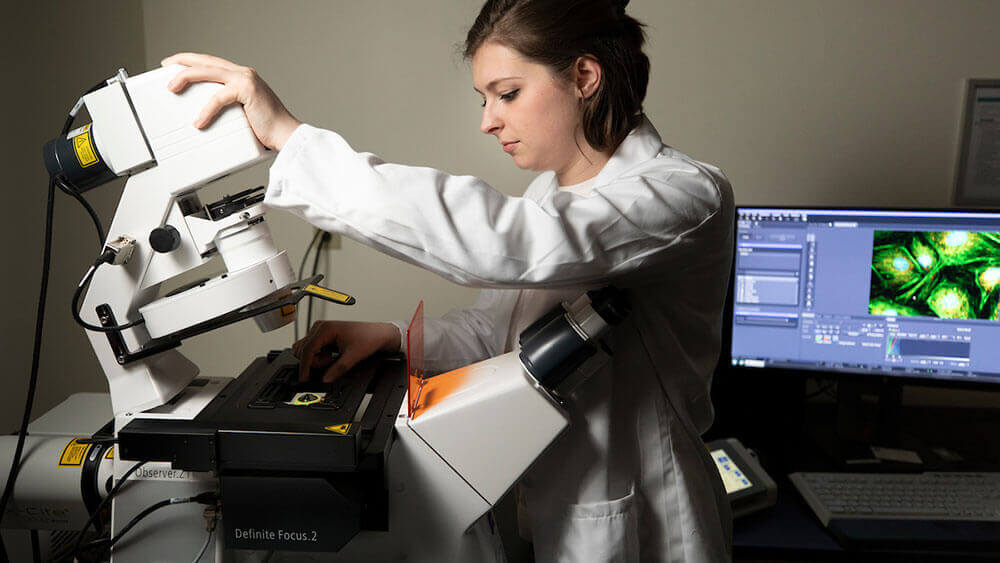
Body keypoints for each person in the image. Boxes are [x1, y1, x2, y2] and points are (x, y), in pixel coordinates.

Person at [164, 0, 734, 560]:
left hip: (653, 527)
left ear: (584, 76)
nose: (488, 120)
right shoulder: (551, 196)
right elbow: (497, 337)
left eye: (507, 93)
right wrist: (392, 336)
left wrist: (291, 137)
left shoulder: (682, 196)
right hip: (565, 509)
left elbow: (508, 242)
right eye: (484, 98)